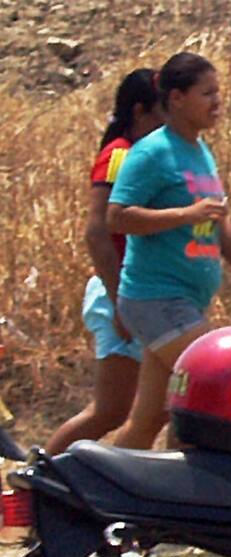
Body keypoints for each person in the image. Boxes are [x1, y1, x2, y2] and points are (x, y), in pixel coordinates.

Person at [107, 51, 231, 450]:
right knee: (216, 387)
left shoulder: (199, 151)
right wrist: (186, 213)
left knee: (150, 419)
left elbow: (218, 223)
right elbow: (117, 218)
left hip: (184, 300)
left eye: (219, 92)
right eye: (207, 93)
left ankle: (103, 492)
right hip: (155, 297)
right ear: (177, 98)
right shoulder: (151, 152)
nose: (218, 102)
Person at [45, 69, 162, 455]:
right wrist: (119, 301)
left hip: (139, 293)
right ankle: (34, 482)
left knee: (154, 409)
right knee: (109, 412)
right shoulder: (120, 156)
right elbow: (97, 232)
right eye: (161, 113)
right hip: (120, 293)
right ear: (140, 111)